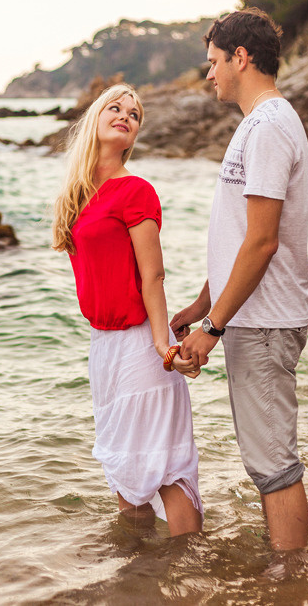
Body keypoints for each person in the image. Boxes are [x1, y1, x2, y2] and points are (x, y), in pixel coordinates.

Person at [170, 8, 308, 551]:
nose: (209, 73)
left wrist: (213, 326)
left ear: (241, 58)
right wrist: (200, 305)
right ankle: (285, 572)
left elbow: (262, 241)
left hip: (265, 322)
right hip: (251, 318)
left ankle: (290, 580)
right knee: (266, 461)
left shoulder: (270, 125)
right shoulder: (257, 123)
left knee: (274, 466)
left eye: (214, 62)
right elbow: (239, 238)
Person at [52, 83, 203, 537]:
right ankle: (139, 570)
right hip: (104, 348)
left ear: (134, 135)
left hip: (141, 343)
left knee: (165, 467)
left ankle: (191, 565)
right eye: (115, 108)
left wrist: (161, 344)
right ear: (95, 119)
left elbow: (152, 276)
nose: (125, 116)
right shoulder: (76, 197)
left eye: (134, 114)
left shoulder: (136, 191)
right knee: (123, 466)